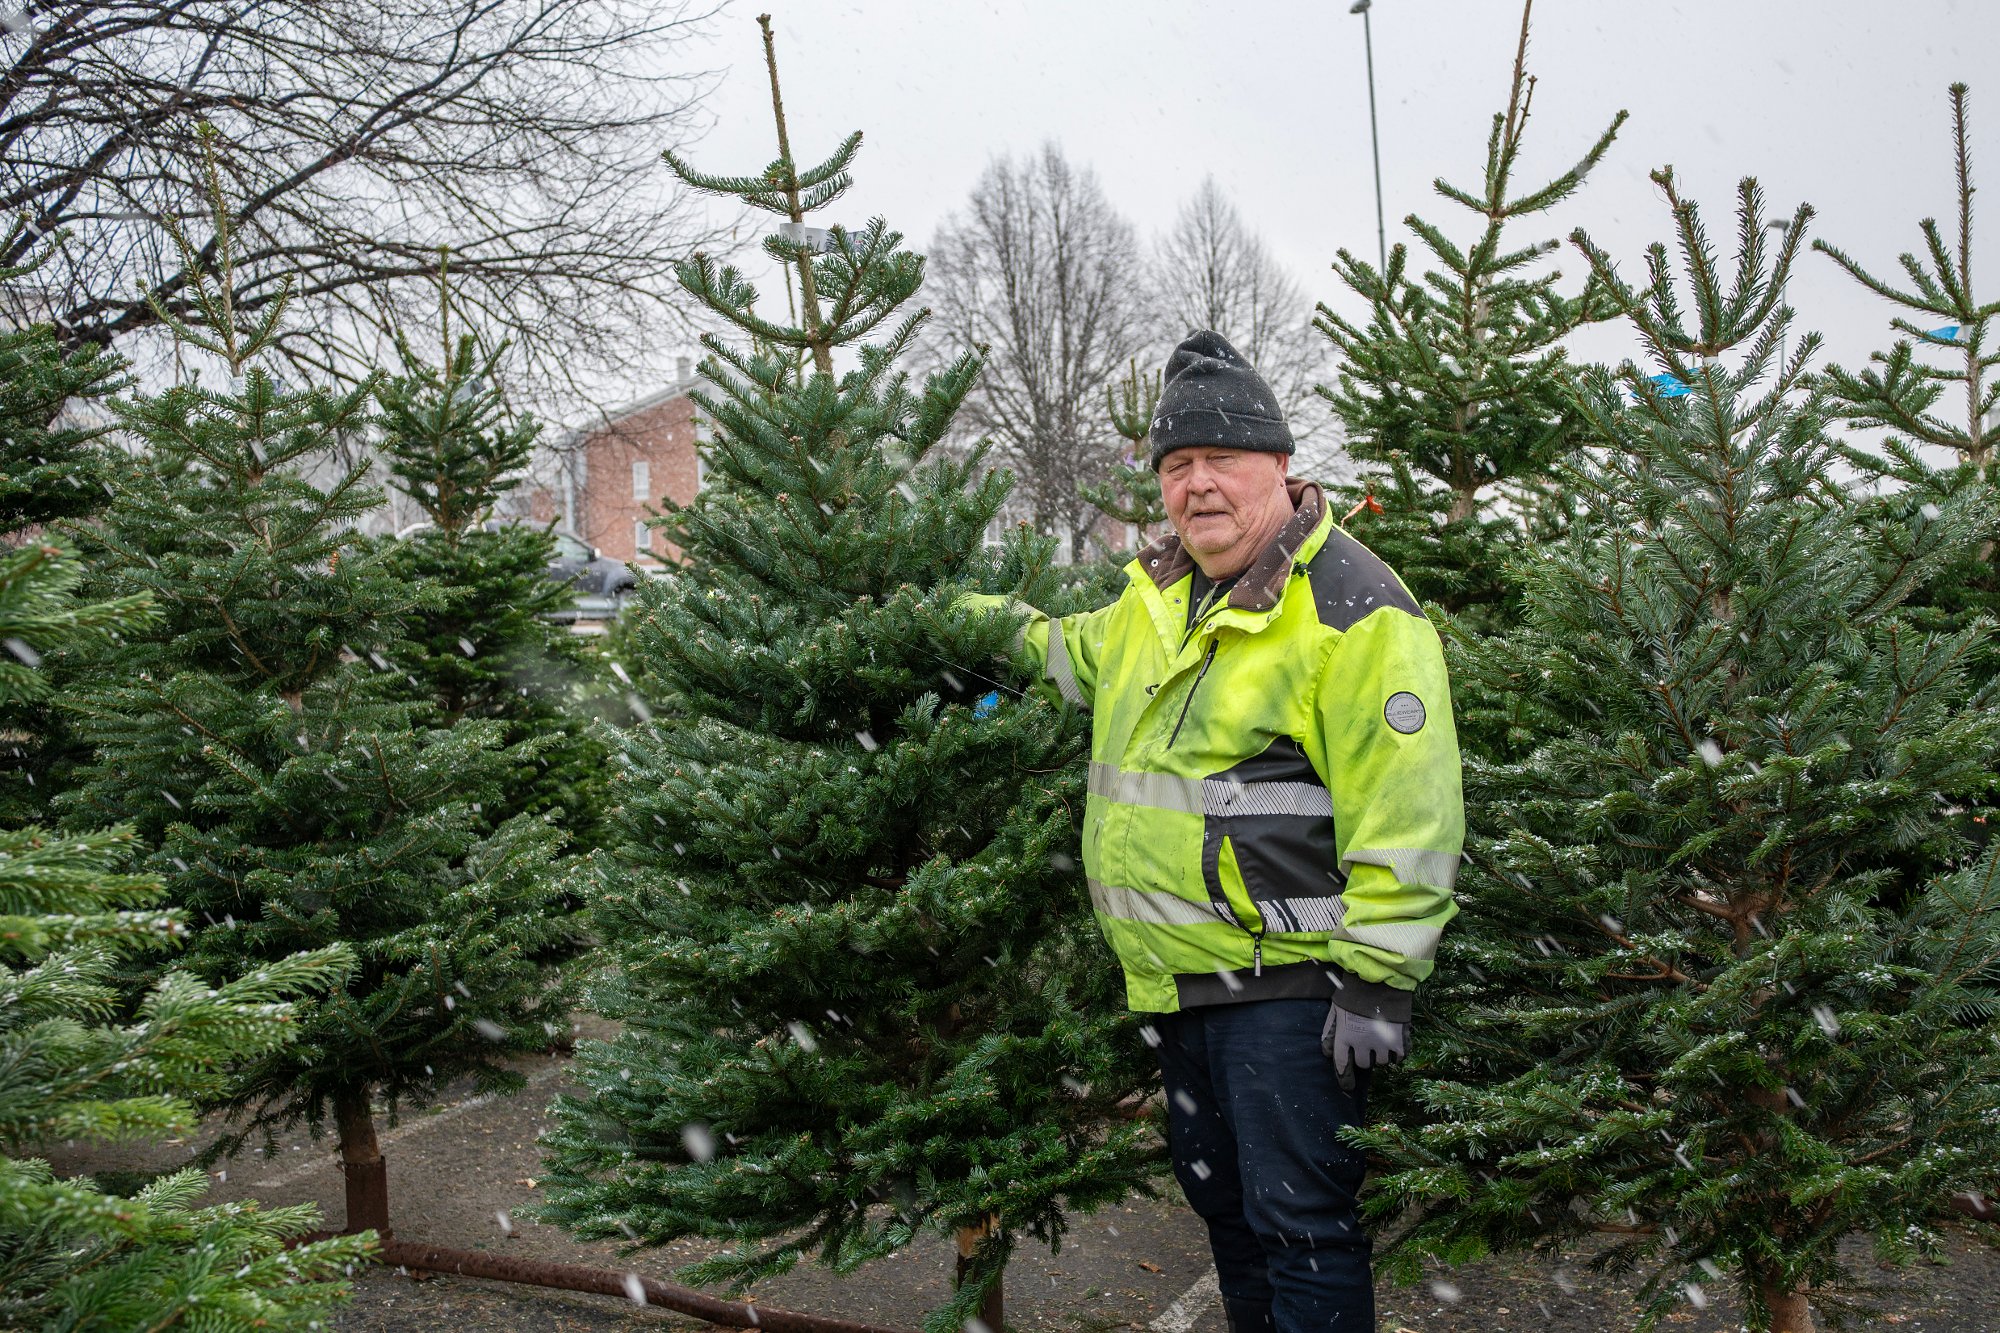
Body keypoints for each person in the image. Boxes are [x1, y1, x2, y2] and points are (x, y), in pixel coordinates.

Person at [969, 330, 1464, 1331]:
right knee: (1229, 1219)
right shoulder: (1156, 599)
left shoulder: (1351, 607)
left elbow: (1409, 809)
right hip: (1175, 981)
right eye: (1175, 465)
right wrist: (951, 622)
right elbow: (1064, 653)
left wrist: (1374, 980)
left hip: (1284, 988)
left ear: (1278, 466)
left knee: (1302, 1226)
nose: (1196, 485)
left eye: (1219, 460)